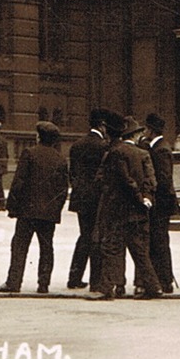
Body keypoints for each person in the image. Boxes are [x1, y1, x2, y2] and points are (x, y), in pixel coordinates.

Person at [91, 116, 162, 301]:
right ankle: (153, 287)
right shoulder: (144, 154)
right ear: (136, 135)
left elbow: (125, 180)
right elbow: (152, 181)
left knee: (112, 249)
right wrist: (146, 198)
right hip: (140, 212)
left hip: (119, 210)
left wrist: (137, 197)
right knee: (140, 252)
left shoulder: (115, 152)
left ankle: (107, 288)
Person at [0, 121, 70, 294]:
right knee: (46, 247)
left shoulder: (29, 153)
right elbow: (63, 189)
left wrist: (12, 206)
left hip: (27, 211)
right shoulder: (60, 159)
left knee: (19, 246)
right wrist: (55, 210)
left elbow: (19, 182)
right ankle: (43, 284)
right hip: (48, 213)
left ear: (38, 136)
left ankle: (14, 282)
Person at [65, 111, 112, 290]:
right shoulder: (103, 146)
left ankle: (74, 277)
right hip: (97, 198)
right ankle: (96, 280)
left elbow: (73, 174)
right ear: (102, 125)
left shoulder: (76, 145)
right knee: (96, 238)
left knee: (84, 236)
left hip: (80, 198)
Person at [141, 113, 178, 293]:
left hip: (161, 204)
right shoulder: (156, 147)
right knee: (157, 241)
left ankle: (165, 280)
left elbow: (163, 180)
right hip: (159, 203)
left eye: (146, 128)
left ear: (151, 130)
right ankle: (162, 278)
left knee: (160, 242)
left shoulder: (162, 149)